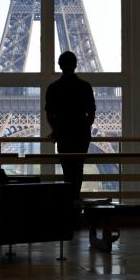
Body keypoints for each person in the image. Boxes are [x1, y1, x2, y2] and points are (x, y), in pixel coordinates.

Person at [45, 51, 96, 201]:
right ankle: (74, 201)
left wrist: (57, 130)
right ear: (75, 65)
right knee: (78, 170)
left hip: (63, 136)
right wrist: (83, 129)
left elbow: (49, 115)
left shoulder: (53, 88)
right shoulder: (85, 86)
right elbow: (91, 114)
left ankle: (69, 203)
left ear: (59, 65)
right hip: (81, 137)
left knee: (67, 170)